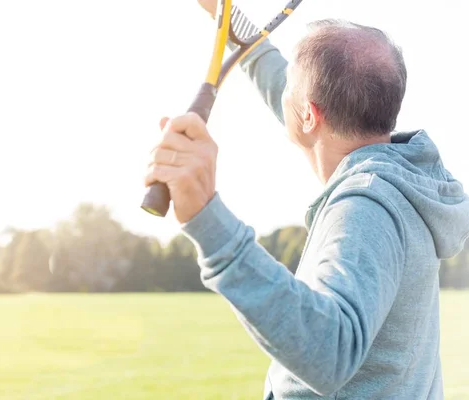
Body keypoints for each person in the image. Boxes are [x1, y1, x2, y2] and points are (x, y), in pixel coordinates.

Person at [144, 1, 469, 399]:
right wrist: (225, 14)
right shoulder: (402, 180)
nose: (284, 87)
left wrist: (207, 219)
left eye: (293, 84)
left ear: (311, 116)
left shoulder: (366, 207)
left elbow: (330, 352)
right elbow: (280, 81)